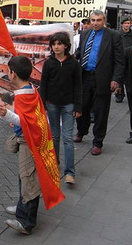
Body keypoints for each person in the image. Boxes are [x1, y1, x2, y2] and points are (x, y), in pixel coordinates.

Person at [0, 56, 63, 235]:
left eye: (8, 70)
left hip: (29, 143)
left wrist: (5, 114)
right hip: (31, 141)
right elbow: (30, 119)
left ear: (13, 74)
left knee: (29, 180)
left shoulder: (24, 95)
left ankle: (26, 222)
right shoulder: (31, 90)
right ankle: (21, 208)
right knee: (25, 177)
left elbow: (25, 122)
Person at [74, 10, 124, 156]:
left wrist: (116, 79)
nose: (95, 23)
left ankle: (97, 141)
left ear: (104, 21)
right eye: (93, 20)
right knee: (82, 107)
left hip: (103, 78)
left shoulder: (114, 36)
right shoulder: (84, 34)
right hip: (84, 77)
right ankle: (81, 132)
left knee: (101, 111)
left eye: (99, 20)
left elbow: (119, 61)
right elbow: (80, 52)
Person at [40, 32, 82, 184]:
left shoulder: (74, 63)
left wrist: (78, 107)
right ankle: (54, 165)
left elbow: (78, 86)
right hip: (52, 104)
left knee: (68, 138)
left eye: (59, 44)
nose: (56, 47)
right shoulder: (49, 63)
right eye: (54, 44)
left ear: (66, 45)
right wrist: (42, 105)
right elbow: (43, 85)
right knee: (55, 137)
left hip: (69, 104)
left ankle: (70, 172)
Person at [115, 18, 132, 103]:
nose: (127, 25)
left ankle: (130, 94)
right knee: (119, 77)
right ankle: (119, 94)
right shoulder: (117, 34)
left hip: (131, 58)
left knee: (129, 77)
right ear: (122, 24)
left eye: (128, 23)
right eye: (125, 23)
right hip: (120, 58)